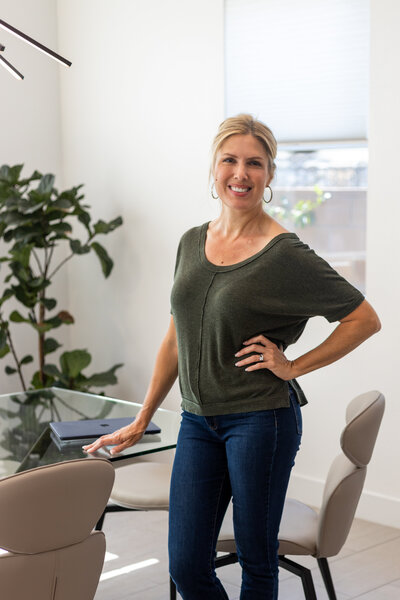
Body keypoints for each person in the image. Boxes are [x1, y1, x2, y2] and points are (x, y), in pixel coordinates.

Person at [83, 114, 381, 600]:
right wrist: (141, 418)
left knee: (256, 561)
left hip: (260, 420)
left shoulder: (284, 254)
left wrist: (292, 366)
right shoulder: (191, 241)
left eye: (254, 163)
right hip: (199, 421)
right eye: (230, 160)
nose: (240, 173)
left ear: (269, 175)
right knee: (185, 563)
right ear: (214, 168)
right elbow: (176, 335)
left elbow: (364, 318)